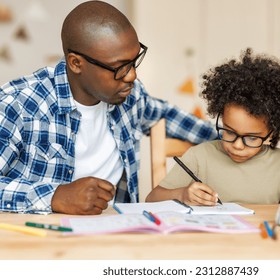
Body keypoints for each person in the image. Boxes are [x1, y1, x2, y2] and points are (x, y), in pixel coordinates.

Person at [0, 1, 217, 215]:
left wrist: (233, 137)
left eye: (134, 61)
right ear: (76, 63)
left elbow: (169, 117)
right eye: (120, 67)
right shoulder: (18, 104)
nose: (132, 75)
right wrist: (56, 196)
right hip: (43, 240)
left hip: (116, 233)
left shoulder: (131, 95)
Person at [146, 48, 280, 205]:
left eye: (252, 138)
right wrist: (182, 195)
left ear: (271, 133)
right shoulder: (199, 156)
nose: (237, 145)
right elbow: (152, 199)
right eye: (230, 132)